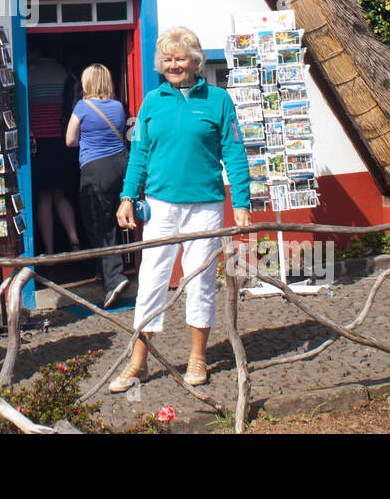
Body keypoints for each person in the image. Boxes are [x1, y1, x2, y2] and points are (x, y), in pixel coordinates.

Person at [111, 26, 251, 392]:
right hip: (159, 206)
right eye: (168, 59)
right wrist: (128, 196)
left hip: (205, 205)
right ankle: (138, 362)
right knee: (152, 280)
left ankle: (198, 358)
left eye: (181, 58)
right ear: (161, 64)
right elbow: (139, 152)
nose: (174, 65)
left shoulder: (219, 100)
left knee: (199, 280)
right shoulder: (151, 102)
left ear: (195, 61)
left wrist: (241, 203)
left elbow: (234, 152)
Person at [65, 63, 132, 309]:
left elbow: (70, 139)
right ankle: (110, 274)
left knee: (98, 225)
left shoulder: (82, 106)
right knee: (117, 219)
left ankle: (115, 279)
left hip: (95, 169)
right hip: (121, 166)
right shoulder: (118, 106)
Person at [27, 40, 81, 253]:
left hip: (37, 144)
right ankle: (74, 240)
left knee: (43, 197)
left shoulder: (27, 76)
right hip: (61, 140)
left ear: (37, 51)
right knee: (61, 194)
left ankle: (49, 250)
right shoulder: (66, 73)